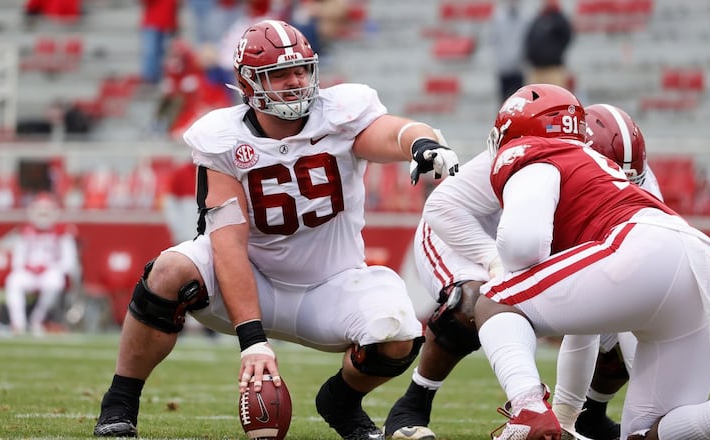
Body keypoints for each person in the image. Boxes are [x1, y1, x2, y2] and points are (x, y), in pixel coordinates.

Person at [92, 19, 460, 440]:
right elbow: (228, 244)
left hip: (331, 285)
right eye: (280, 73)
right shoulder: (223, 138)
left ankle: (340, 403)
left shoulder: (339, 114)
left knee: (399, 332)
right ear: (248, 83)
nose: (296, 81)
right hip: (253, 280)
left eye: (302, 69)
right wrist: (252, 340)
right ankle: (120, 402)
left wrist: (421, 143)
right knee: (169, 271)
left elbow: (395, 132)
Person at [475, 83, 710, 440]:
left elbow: (522, 245)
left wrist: (509, 273)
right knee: (642, 432)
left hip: (643, 249)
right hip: (708, 264)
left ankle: (527, 407)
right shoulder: (599, 169)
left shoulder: (533, 152)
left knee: (494, 300)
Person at [382, 103, 659, 440]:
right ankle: (413, 404)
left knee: (624, 310)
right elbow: (443, 208)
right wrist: (493, 262)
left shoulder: (637, 178)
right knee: (474, 302)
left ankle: (588, 416)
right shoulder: (530, 155)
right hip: (463, 232)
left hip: (536, 241)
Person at [553, 103, 662, 440]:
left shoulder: (642, 183)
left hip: (633, 268)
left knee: (635, 312)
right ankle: (545, 412)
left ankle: (588, 419)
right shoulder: (547, 173)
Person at [4, 192, 80, 335]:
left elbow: (68, 262)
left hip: (51, 272)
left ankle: (37, 320)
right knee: (13, 280)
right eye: (39, 209)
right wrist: (29, 267)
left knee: (55, 281)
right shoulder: (25, 230)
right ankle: (18, 323)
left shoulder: (63, 232)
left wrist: (49, 267)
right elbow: (17, 260)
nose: (42, 214)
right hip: (29, 273)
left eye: (46, 210)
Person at [525, 0, 573, 89]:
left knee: (555, 93)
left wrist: (554, 53)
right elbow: (529, 39)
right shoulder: (538, 20)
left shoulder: (559, 20)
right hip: (537, 68)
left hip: (553, 68)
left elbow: (567, 37)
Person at [489, 0, 530, 104]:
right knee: (504, 101)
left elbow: (527, 41)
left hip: (518, 68)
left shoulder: (525, 19)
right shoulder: (498, 19)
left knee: (520, 102)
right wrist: (500, 58)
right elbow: (494, 41)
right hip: (503, 67)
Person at [139, 0, 179, 86]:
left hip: (167, 24)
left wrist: (175, 25)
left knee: (163, 54)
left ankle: (160, 78)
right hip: (152, 23)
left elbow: (174, 7)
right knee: (150, 52)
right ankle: (149, 79)